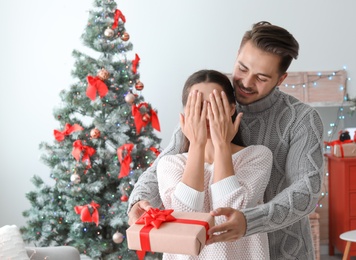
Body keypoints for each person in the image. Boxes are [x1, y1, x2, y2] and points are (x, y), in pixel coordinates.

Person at [128, 21, 324, 260]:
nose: (247, 82)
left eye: (261, 77)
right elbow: (165, 164)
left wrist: (250, 221)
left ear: (281, 79)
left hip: (286, 251)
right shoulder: (209, 104)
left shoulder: (302, 119)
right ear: (237, 57)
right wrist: (140, 200)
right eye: (242, 68)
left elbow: (307, 191)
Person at [157, 69, 272, 259]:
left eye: (214, 106)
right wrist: (197, 144)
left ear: (231, 109)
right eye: (197, 107)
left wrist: (221, 144)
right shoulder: (169, 164)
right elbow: (186, 217)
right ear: (186, 114)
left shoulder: (257, 156)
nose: (206, 116)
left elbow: (227, 214)